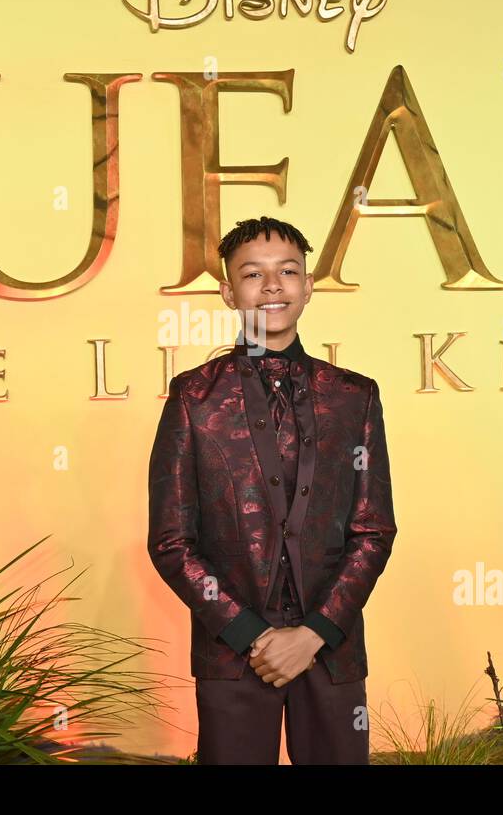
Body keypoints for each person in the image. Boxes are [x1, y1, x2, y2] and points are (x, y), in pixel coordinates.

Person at [147, 215, 398, 764]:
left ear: (308, 286)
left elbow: (373, 530)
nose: (273, 286)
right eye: (253, 274)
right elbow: (171, 542)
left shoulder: (354, 396)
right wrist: (251, 634)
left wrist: (314, 632)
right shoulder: (193, 399)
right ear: (228, 292)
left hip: (331, 652)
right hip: (233, 655)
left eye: (288, 271)